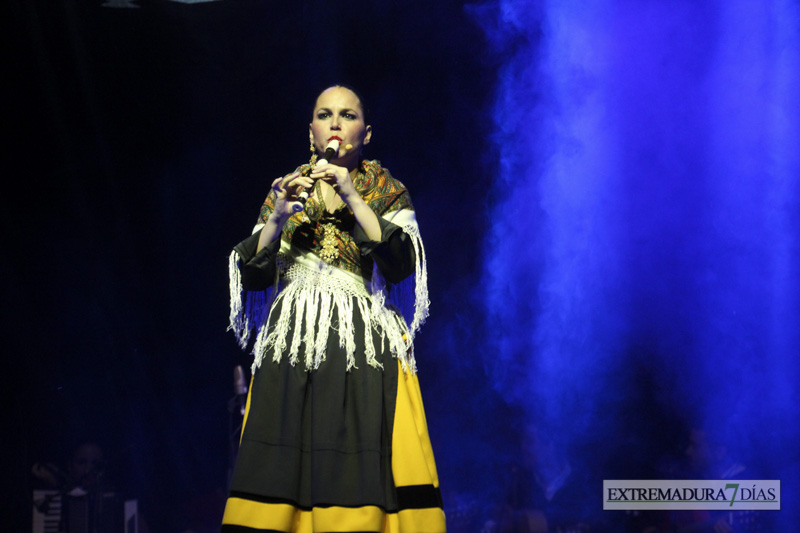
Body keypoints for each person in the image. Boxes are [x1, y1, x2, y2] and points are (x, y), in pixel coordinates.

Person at [221, 85, 445, 532]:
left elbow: (402, 264)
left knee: (354, 461)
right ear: (312, 131)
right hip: (292, 344)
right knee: (281, 463)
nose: (336, 123)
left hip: (358, 345)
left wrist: (353, 197)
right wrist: (279, 216)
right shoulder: (286, 189)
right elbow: (253, 274)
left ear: (365, 133)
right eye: (325, 115)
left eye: (347, 115)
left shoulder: (384, 188)